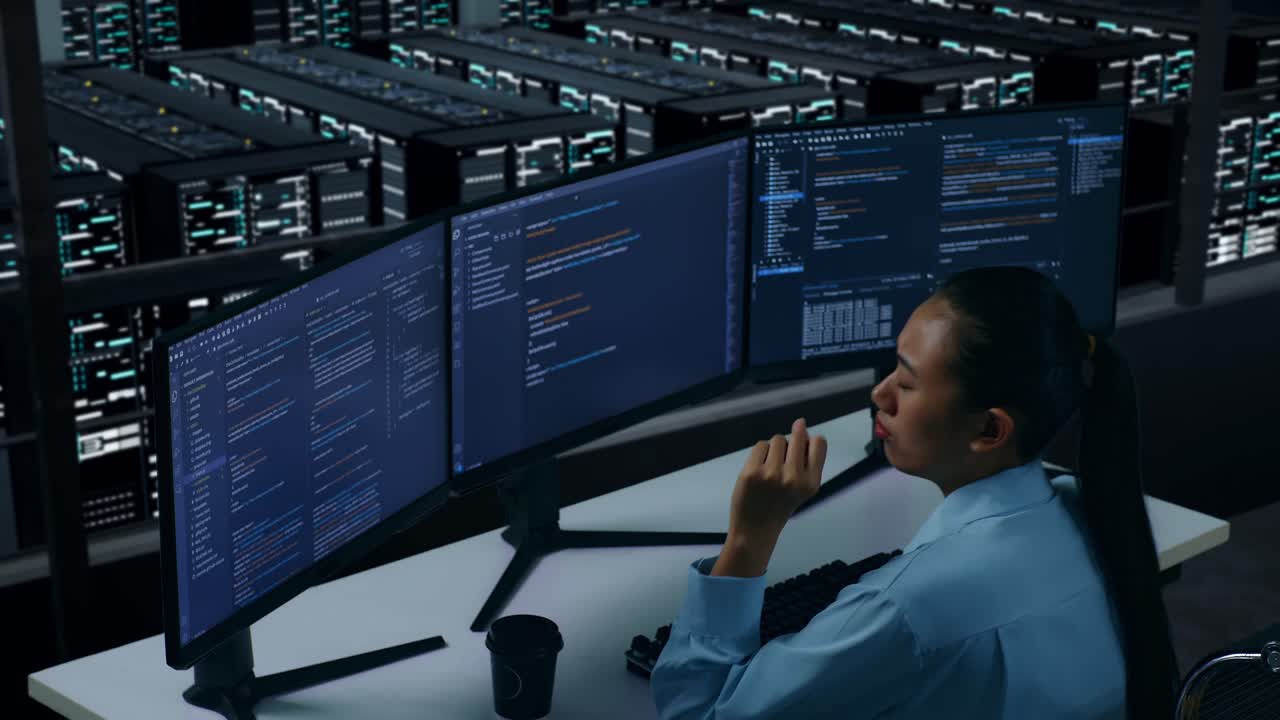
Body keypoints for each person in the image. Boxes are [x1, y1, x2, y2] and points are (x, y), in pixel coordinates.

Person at [651, 266, 1179, 719]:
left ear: (989, 431)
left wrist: (749, 536)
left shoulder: (904, 608)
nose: (879, 394)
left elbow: (701, 711)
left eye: (905, 383)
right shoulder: (1085, 507)